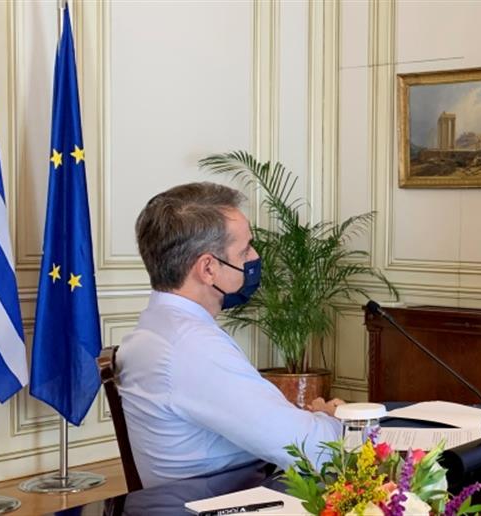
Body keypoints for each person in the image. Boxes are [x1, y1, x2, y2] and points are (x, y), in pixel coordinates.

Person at [118, 182, 345, 488]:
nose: (254, 257)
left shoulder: (159, 327)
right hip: (228, 498)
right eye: (245, 249)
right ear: (208, 269)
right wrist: (334, 418)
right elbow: (311, 450)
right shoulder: (193, 348)